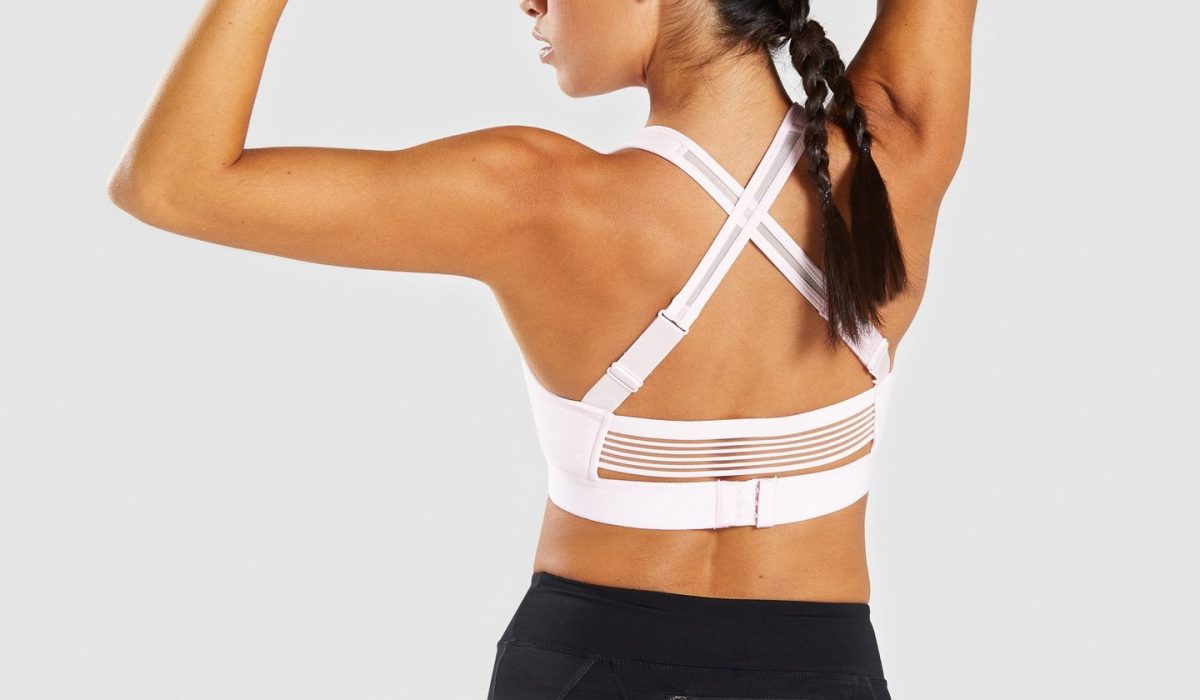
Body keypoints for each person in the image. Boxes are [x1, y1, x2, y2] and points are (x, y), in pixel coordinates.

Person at [107, 0, 976, 696]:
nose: (528, 3)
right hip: (821, 667)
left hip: (584, 665)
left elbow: (170, 182)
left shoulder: (531, 197)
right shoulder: (900, 151)